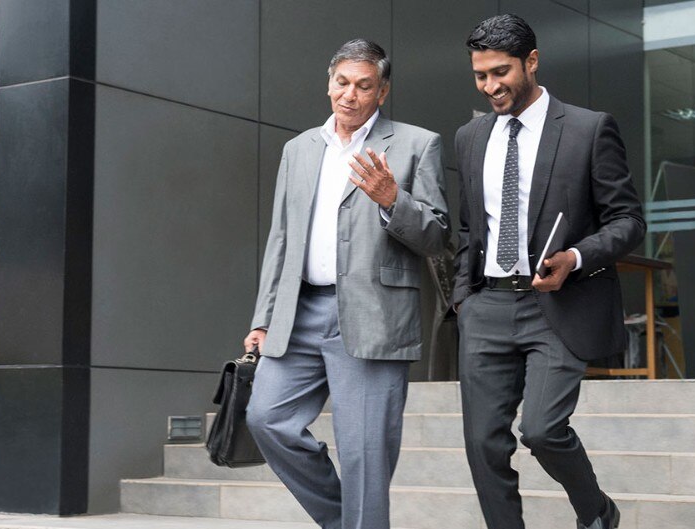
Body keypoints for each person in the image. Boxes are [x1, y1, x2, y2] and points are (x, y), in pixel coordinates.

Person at [242, 38, 450, 529]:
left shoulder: (417, 144)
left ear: (382, 92)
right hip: (299, 314)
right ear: (328, 83)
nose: (350, 95)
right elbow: (282, 240)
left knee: (364, 453)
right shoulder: (298, 149)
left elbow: (437, 235)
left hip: (373, 314)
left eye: (363, 86)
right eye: (342, 83)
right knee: (267, 418)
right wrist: (262, 320)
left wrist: (391, 199)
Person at [451, 14, 645, 529]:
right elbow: (470, 229)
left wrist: (576, 258)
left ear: (531, 61)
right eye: (480, 75)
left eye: (501, 72)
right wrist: (463, 299)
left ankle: (597, 512)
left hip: (558, 303)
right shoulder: (469, 138)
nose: (491, 86)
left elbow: (629, 220)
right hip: (487, 305)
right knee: (482, 445)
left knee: (541, 429)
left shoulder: (588, 128)